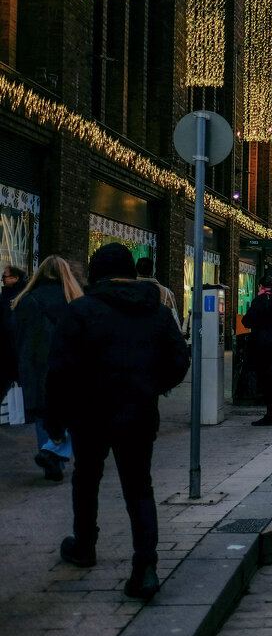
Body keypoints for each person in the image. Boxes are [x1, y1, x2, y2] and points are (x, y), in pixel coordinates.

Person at [45, 243, 189, 600]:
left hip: (88, 413)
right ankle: (145, 567)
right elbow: (179, 360)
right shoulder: (154, 311)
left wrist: (55, 418)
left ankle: (84, 545)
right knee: (139, 486)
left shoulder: (81, 310)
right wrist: (152, 386)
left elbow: (59, 370)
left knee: (87, 477)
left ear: (96, 272)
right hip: (137, 412)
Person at [11, 256, 84, 481]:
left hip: (35, 368)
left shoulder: (27, 300)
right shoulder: (76, 301)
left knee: (43, 414)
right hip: (70, 369)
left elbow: (16, 338)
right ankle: (54, 453)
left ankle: (50, 455)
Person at [242, 278, 272, 426]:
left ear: (261, 286)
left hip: (263, 347)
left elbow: (247, 321)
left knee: (266, 380)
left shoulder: (260, 301)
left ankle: (270, 416)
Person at [135, 257, 181, 331]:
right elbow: (173, 322)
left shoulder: (127, 289)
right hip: (158, 338)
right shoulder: (167, 293)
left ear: (136, 270)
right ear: (152, 271)